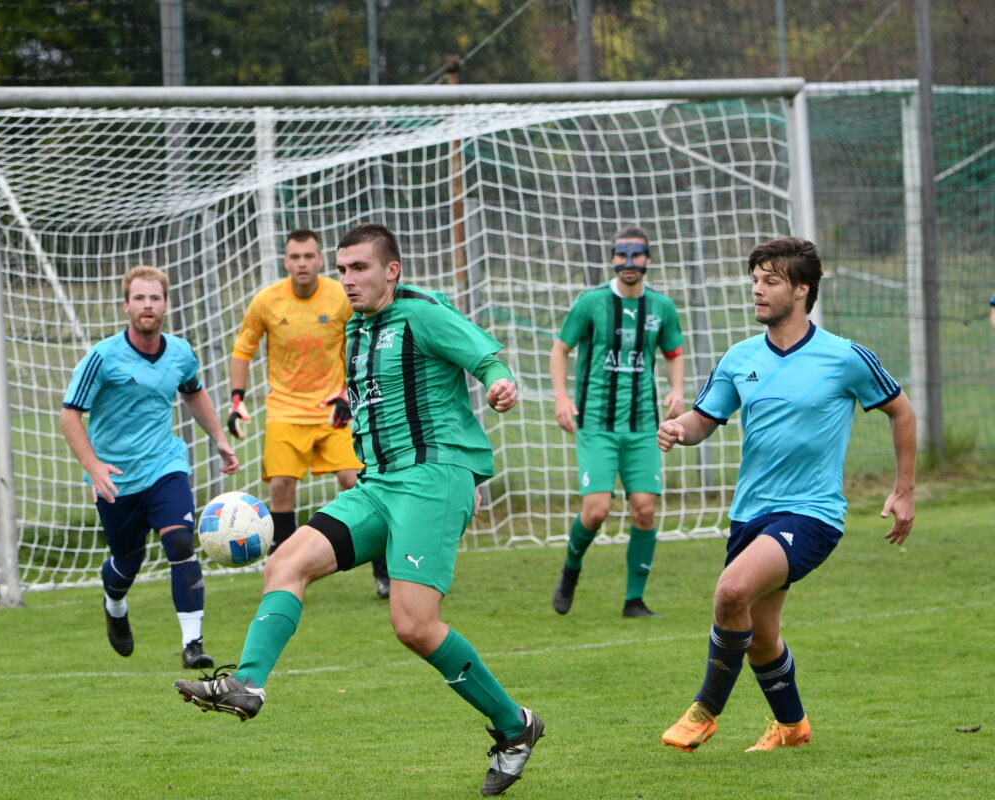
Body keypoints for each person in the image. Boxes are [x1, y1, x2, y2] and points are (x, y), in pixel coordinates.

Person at [175, 223, 544, 797]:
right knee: (285, 563)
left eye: (359, 268)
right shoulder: (357, 330)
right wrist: (345, 403)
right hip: (379, 485)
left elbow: (485, 356)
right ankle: (246, 685)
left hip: (432, 478)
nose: (346, 280)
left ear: (391, 270)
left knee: (413, 626)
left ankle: (515, 728)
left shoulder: (421, 312)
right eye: (341, 269)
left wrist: (500, 384)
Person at [657, 237, 916, 753]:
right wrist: (679, 430)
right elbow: (705, 420)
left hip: (813, 513)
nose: (756, 290)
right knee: (760, 633)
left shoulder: (844, 357)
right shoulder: (740, 357)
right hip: (751, 513)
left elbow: (902, 411)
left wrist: (903, 491)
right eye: (754, 280)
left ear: (801, 289)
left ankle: (705, 710)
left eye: (769, 281)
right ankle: (792, 727)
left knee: (731, 593)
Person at [61, 265, 240, 670]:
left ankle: (193, 644)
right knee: (127, 562)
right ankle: (115, 605)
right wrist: (94, 467)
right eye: (139, 298)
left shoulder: (180, 352)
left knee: (180, 542)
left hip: (165, 464)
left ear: (165, 304)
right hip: (116, 477)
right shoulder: (102, 357)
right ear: (126, 305)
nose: (147, 305)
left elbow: (194, 394)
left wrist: (220, 439)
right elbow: (69, 414)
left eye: (154, 298)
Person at [227, 228, 390, 598]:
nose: (302, 263)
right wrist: (236, 400)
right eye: (295, 257)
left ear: (320, 261)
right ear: (285, 262)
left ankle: (385, 573)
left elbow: (365, 337)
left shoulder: (340, 296)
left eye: (309, 256)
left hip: (335, 408)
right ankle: (282, 572)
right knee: (282, 488)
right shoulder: (267, 301)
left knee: (357, 482)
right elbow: (243, 349)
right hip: (284, 409)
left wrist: (351, 393)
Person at [549, 226, 685, 618]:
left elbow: (674, 351)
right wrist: (561, 397)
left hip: (644, 425)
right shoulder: (591, 303)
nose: (629, 263)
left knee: (644, 509)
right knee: (595, 511)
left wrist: (676, 389)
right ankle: (571, 568)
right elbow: (560, 350)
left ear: (647, 258)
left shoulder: (661, 307)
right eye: (621, 255)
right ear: (612, 257)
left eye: (637, 255)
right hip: (596, 424)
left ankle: (634, 601)